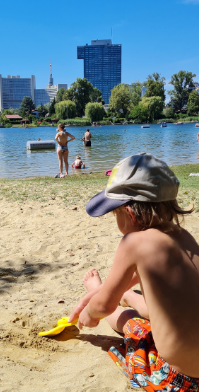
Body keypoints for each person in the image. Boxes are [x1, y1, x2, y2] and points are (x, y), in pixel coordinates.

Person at [68, 153, 199, 390]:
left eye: (115, 214)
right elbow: (167, 293)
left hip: (182, 379)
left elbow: (104, 306)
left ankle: (107, 291)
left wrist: (89, 311)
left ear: (128, 213)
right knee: (158, 306)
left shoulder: (133, 243)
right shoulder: (184, 236)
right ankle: (126, 296)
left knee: (132, 322)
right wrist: (124, 291)